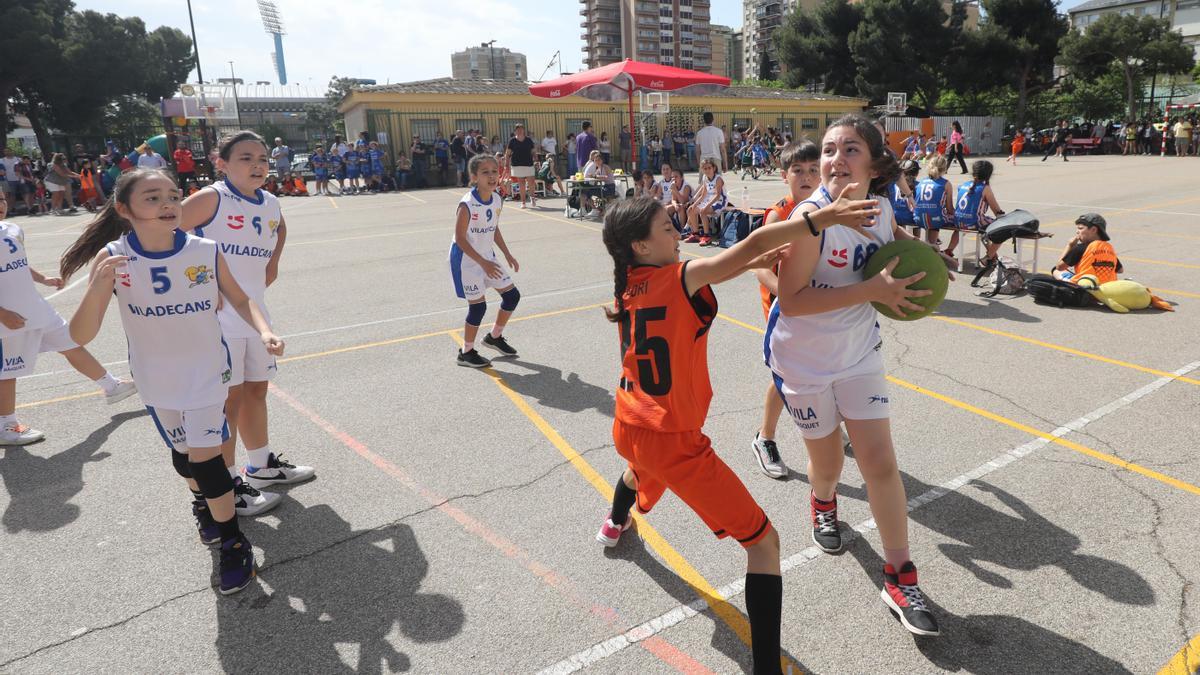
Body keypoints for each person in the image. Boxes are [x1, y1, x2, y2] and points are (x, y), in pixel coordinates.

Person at [596, 189, 880, 674]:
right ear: (640, 245)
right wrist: (820, 218)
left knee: (636, 469)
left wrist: (750, 260)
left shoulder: (630, 284)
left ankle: (615, 522)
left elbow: (732, 263)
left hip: (629, 423)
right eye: (668, 227)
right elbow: (745, 250)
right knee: (764, 543)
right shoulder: (677, 277)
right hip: (671, 439)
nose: (677, 232)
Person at [767, 114, 948, 638]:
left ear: (873, 165)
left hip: (859, 355)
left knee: (880, 463)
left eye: (850, 149)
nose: (834, 159)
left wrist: (925, 256)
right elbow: (793, 301)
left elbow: (889, 245)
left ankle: (900, 575)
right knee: (825, 463)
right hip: (803, 360)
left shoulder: (883, 207)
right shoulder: (811, 217)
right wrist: (870, 293)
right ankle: (823, 503)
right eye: (828, 150)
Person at [62, 169, 283, 595]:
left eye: (173, 195)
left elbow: (239, 297)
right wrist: (99, 287)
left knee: (206, 458)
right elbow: (80, 336)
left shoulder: (204, 249)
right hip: (155, 375)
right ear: (124, 209)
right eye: (152, 197)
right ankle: (204, 503)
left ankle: (234, 544)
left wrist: (263, 330)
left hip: (206, 370)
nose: (167, 204)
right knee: (184, 457)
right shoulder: (113, 257)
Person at [180, 131, 315, 517]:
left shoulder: (270, 201)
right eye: (245, 158)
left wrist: (273, 261)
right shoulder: (212, 198)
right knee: (226, 403)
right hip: (217, 318)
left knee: (256, 390)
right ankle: (227, 484)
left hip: (255, 313)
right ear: (220, 163)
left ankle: (261, 466)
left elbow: (281, 228)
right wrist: (201, 281)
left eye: (262, 158)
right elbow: (166, 233)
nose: (257, 165)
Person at [0, 191, 136, 446]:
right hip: (8, 318)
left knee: (70, 341)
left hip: (34, 308)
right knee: (8, 371)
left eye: (2, 199)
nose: (0, 205)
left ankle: (111, 386)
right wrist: (3, 313)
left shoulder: (13, 229)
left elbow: (17, 263)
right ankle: (6, 424)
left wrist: (43, 279)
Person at [751, 141, 821, 479]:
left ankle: (829, 425)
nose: (806, 177)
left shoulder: (826, 208)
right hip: (784, 309)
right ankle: (765, 437)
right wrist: (788, 295)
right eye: (798, 171)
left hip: (817, 305)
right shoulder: (780, 214)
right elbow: (760, 267)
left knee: (823, 367)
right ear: (784, 175)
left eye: (812, 170)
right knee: (784, 377)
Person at [449, 154, 521, 368]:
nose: (491, 176)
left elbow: (494, 227)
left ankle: (494, 337)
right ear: (474, 177)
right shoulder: (467, 205)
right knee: (478, 308)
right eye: (485, 172)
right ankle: (466, 352)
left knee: (512, 296)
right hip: (466, 260)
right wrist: (482, 262)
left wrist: (507, 254)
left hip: (486, 256)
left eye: (494, 171)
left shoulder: (497, 198)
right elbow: (460, 239)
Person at [953, 160, 1006, 262]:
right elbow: (996, 211)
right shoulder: (984, 188)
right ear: (988, 175)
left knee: (963, 227)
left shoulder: (963, 185)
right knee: (1002, 230)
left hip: (958, 221)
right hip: (974, 222)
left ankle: (949, 250)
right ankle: (989, 257)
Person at [1055, 213, 1122, 283]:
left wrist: (1070, 246)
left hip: (1085, 286)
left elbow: (1059, 267)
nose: (1077, 232)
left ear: (1093, 229)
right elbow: (1120, 270)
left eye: (1080, 228)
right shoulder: (1108, 248)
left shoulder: (1080, 248)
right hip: (1107, 287)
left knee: (1055, 270)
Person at [914, 154, 955, 250]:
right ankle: (938, 247)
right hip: (935, 219)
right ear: (945, 169)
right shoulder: (946, 183)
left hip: (918, 218)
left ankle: (932, 242)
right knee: (958, 220)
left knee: (931, 214)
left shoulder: (921, 182)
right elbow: (949, 209)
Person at [684, 157, 727, 246]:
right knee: (690, 210)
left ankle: (707, 236)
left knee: (703, 211)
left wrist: (706, 206)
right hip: (709, 200)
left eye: (709, 168)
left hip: (720, 202)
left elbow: (717, 195)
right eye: (705, 168)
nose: (707, 170)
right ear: (702, 170)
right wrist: (694, 204)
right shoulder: (705, 178)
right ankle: (696, 234)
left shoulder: (718, 179)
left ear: (714, 168)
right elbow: (703, 195)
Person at [506, 124, 539, 209]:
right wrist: (506, 164)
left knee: (531, 182)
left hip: (528, 163)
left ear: (524, 130)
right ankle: (523, 202)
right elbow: (508, 153)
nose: (520, 131)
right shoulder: (512, 141)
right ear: (515, 131)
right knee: (521, 183)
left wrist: (536, 159)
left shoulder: (528, 140)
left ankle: (532, 197)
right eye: (518, 129)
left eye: (521, 129)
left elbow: (533, 151)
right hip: (517, 164)